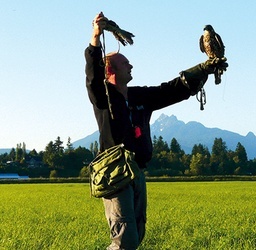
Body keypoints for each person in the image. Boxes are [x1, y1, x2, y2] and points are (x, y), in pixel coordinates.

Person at [85, 12, 228, 250]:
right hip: (114, 171)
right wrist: (96, 37)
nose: (131, 65)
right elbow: (92, 75)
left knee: (137, 232)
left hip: (137, 171)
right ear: (110, 71)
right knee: (125, 238)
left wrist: (203, 69)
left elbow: (170, 90)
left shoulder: (138, 96)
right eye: (125, 63)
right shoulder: (103, 98)